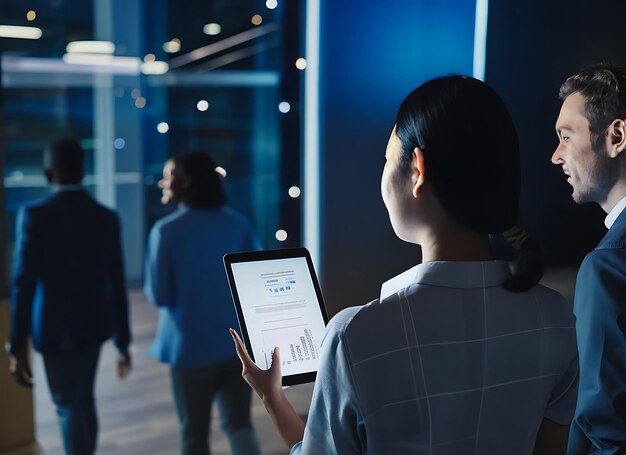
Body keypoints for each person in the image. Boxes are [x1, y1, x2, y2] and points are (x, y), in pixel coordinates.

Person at [232, 76, 579, 454]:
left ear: (417, 169)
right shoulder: (555, 316)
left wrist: (272, 397)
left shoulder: (355, 335)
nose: (382, 176)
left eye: (387, 159)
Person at [7, 138, 132, 455]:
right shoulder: (106, 217)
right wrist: (122, 341)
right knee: (83, 398)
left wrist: (16, 340)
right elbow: (116, 282)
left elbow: (24, 282)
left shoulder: (35, 215)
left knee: (67, 403)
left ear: (48, 173)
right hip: (95, 323)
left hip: (53, 326)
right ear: (83, 169)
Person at [144, 152, 262, 455]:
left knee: (194, 433)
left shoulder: (166, 232)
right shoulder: (239, 225)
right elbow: (255, 283)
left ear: (184, 182)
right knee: (239, 424)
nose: (162, 182)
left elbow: (160, 295)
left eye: (168, 175)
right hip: (236, 346)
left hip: (189, 349)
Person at [551, 63, 626, 454]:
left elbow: (607, 432)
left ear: (616, 135)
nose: (556, 156)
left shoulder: (608, 266)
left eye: (566, 137)